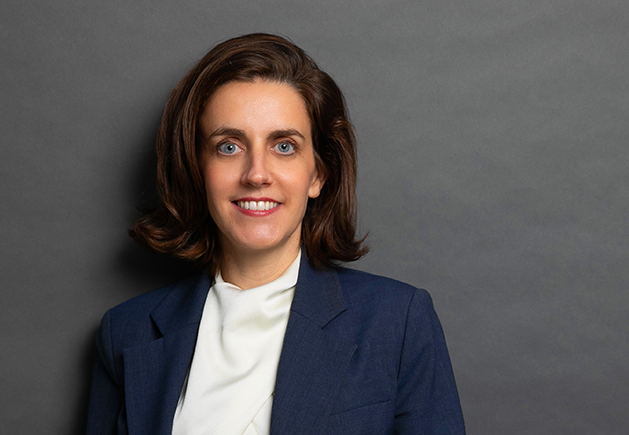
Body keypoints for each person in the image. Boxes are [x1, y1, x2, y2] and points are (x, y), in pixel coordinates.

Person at [86, 33, 465, 435]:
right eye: (229, 147)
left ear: (318, 173)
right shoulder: (125, 334)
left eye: (284, 146)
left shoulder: (396, 322)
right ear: (196, 170)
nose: (256, 175)